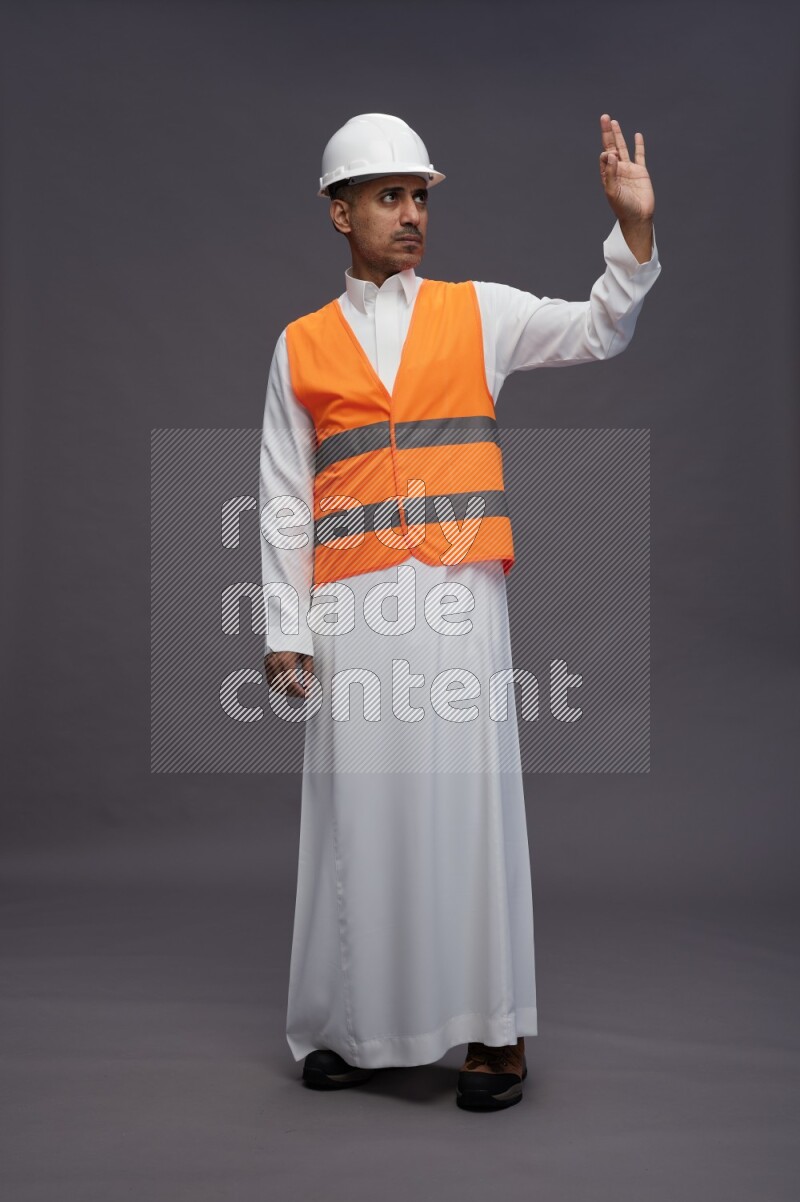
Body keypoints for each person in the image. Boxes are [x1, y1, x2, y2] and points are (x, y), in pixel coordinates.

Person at [258, 112, 660, 1110]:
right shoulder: (299, 345)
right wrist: (285, 631)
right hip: (350, 605)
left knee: (468, 804)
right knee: (360, 815)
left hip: (454, 599)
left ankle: (493, 1031)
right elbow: (282, 495)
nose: (411, 214)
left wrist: (633, 230)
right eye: (388, 196)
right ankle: (358, 1029)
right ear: (339, 211)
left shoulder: (478, 312)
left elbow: (598, 327)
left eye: (419, 196)